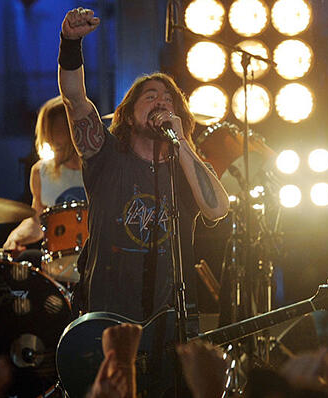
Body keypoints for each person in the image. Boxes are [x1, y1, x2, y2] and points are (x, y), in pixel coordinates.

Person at [58, 7, 230, 321]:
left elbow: (217, 210)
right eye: (150, 96)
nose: (161, 101)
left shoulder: (186, 169)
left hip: (170, 323)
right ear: (128, 114)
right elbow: (74, 98)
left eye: (169, 99)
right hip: (106, 318)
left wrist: (182, 142)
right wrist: (70, 44)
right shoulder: (106, 155)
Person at [2, 96, 85, 255]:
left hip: (98, 261)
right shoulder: (41, 172)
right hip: (60, 261)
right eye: (48, 132)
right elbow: (37, 222)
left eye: (58, 131)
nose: (52, 138)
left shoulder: (101, 168)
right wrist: (16, 236)